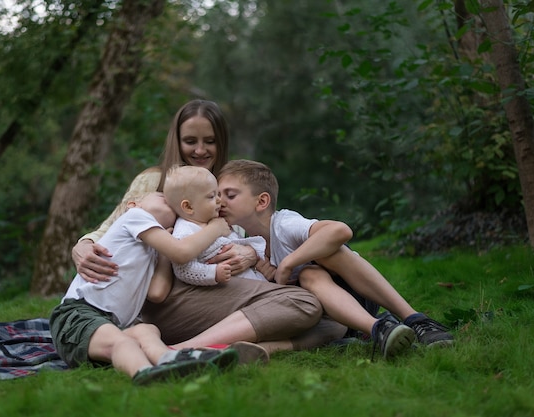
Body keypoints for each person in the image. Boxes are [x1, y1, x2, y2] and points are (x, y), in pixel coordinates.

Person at [72, 99, 345, 355]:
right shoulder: (155, 181)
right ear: (177, 142)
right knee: (304, 305)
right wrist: (82, 245)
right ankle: (187, 350)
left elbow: (254, 238)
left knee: (334, 323)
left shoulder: (229, 185)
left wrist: (250, 254)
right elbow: (110, 229)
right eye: (190, 141)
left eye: (210, 141)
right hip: (174, 295)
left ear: (221, 143)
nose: (200, 150)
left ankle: (252, 347)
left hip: (225, 290)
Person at [217, 159, 454, 359]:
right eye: (217, 196)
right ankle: (372, 330)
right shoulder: (246, 242)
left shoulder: (283, 224)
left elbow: (340, 230)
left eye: (230, 195)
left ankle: (416, 320)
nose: (220, 202)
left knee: (317, 265)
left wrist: (288, 264)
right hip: (324, 317)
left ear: (261, 202)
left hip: (356, 293)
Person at [50, 191, 240, 385]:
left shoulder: (152, 249)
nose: (170, 201)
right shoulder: (135, 217)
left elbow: (157, 293)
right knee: (122, 342)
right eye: (163, 197)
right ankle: (146, 373)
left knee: (147, 330)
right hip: (77, 315)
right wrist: (215, 229)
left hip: (110, 325)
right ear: (133, 204)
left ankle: (171, 361)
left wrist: (165, 252)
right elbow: (182, 252)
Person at [163, 165, 266, 285]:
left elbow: (240, 242)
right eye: (212, 196)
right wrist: (213, 273)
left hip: (253, 280)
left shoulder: (217, 220)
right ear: (188, 207)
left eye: (218, 194)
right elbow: (183, 269)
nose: (219, 200)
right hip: (233, 290)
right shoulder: (185, 231)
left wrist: (255, 255)